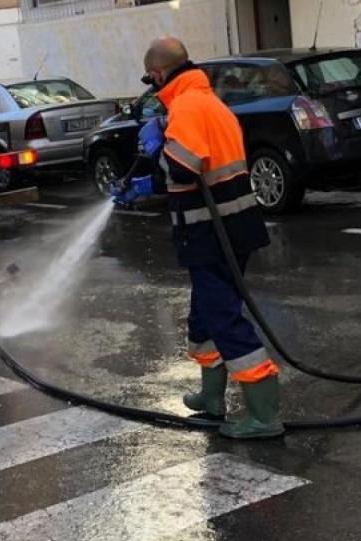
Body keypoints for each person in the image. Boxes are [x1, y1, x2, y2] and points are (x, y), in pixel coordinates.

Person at [117, 37, 283, 439]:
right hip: (231, 224)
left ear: (158, 74)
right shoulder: (207, 102)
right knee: (204, 314)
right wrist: (148, 181)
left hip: (211, 230)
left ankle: (264, 414)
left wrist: (159, 148)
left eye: (151, 80)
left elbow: (185, 169)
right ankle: (212, 399)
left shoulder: (188, 107)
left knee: (222, 316)